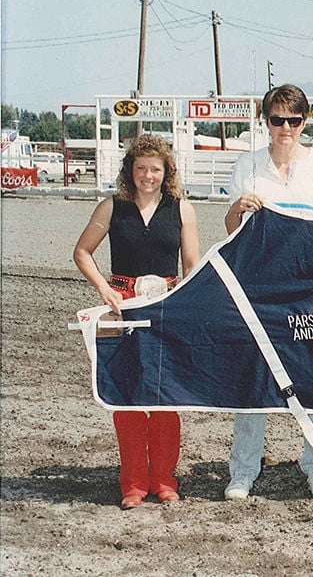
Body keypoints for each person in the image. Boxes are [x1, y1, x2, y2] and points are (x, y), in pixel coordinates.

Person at [223, 84, 313, 500]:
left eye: (294, 120)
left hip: (311, 290)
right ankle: (243, 469)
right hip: (261, 290)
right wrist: (237, 211)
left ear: (304, 123)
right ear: (266, 122)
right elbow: (232, 232)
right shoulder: (247, 166)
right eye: (277, 120)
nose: (285, 128)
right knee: (253, 379)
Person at [73, 134, 200, 509]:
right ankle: (132, 483)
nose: (148, 175)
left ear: (167, 172)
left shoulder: (182, 210)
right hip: (121, 308)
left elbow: (191, 266)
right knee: (126, 399)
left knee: (164, 399)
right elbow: (82, 252)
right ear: (130, 170)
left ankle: (163, 480)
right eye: (141, 168)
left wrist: (184, 306)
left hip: (165, 307)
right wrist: (104, 290)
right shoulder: (111, 207)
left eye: (155, 169)